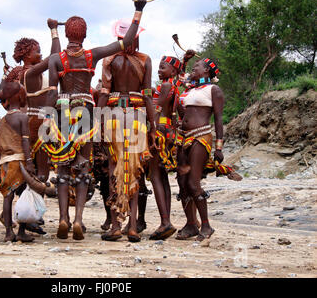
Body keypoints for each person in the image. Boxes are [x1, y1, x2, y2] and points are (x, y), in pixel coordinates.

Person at [44, 0, 149, 241]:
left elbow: (51, 92)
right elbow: (126, 42)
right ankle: (79, 219)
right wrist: (138, 11)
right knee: (82, 165)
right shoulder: (92, 55)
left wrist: (48, 120)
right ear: (85, 34)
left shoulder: (56, 60)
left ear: (67, 33)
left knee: (62, 168)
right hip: (86, 110)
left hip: (61, 109)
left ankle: (64, 218)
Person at [97, 18, 155, 242]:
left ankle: (115, 226)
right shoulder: (145, 60)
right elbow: (148, 94)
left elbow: (104, 92)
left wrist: (97, 123)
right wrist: (153, 126)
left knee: (114, 169)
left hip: (112, 117)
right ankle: (132, 227)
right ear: (136, 37)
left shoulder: (109, 60)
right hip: (138, 117)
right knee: (134, 170)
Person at [175, 58, 241, 241]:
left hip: (201, 136)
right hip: (183, 138)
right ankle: (190, 224)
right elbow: (176, 79)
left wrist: (218, 147)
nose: (193, 69)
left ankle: (206, 225)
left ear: (206, 71)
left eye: (196, 66)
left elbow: (218, 119)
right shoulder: (190, 90)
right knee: (182, 182)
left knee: (193, 183)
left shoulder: (214, 90)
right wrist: (185, 60)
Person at [0, 80, 55, 242]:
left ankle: (8, 232)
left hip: (5, 163)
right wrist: (29, 162)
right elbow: (25, 142)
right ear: (18, 97)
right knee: (24, 195)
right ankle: (20, 231)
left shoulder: (4, 119)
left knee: (8, 196)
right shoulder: (21, 117)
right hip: (19, 163)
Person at [148, 51, 195, 240]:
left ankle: (165, 222)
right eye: (159, 67)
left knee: (155, 176)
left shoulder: (167, 85)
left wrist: (150, 129)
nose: (159, 70)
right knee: (161, 176)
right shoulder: (174, 86)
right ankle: (165, 220)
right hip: (169, 131)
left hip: (159, 130)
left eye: (162, 67)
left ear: (172, 71)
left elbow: (157, 109)